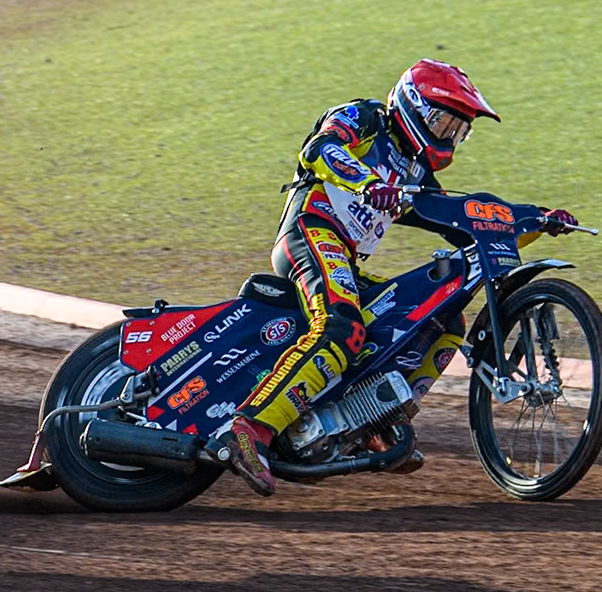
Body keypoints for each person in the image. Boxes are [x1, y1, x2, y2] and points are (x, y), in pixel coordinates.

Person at [218, 59, 578, 496]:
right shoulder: (366, 117)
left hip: (346, 260)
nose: (449, 137)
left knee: (443, 321)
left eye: (458, 131)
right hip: (310, 232)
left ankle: (371, 417)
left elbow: (463, 217)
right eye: (443, 123)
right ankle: (250, 429)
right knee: (341, 328)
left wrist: (534, 219)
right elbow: (319, 150)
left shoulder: (415, 175)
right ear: (412, 106)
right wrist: (367, 182)